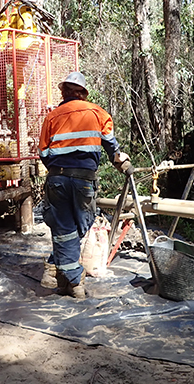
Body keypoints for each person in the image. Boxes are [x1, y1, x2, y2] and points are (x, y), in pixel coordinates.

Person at [38, 71, 132, 299]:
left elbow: (43, 152)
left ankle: (61, 273)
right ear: (83, 93)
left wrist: (60, 168)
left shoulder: (52, 117)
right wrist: (121, 161)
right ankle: (74, 282)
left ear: (64, 92)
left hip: (57, 178)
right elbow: (112, 148)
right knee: (79, 226)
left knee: (64, 230)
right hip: (84, 180)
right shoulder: (98, 113)